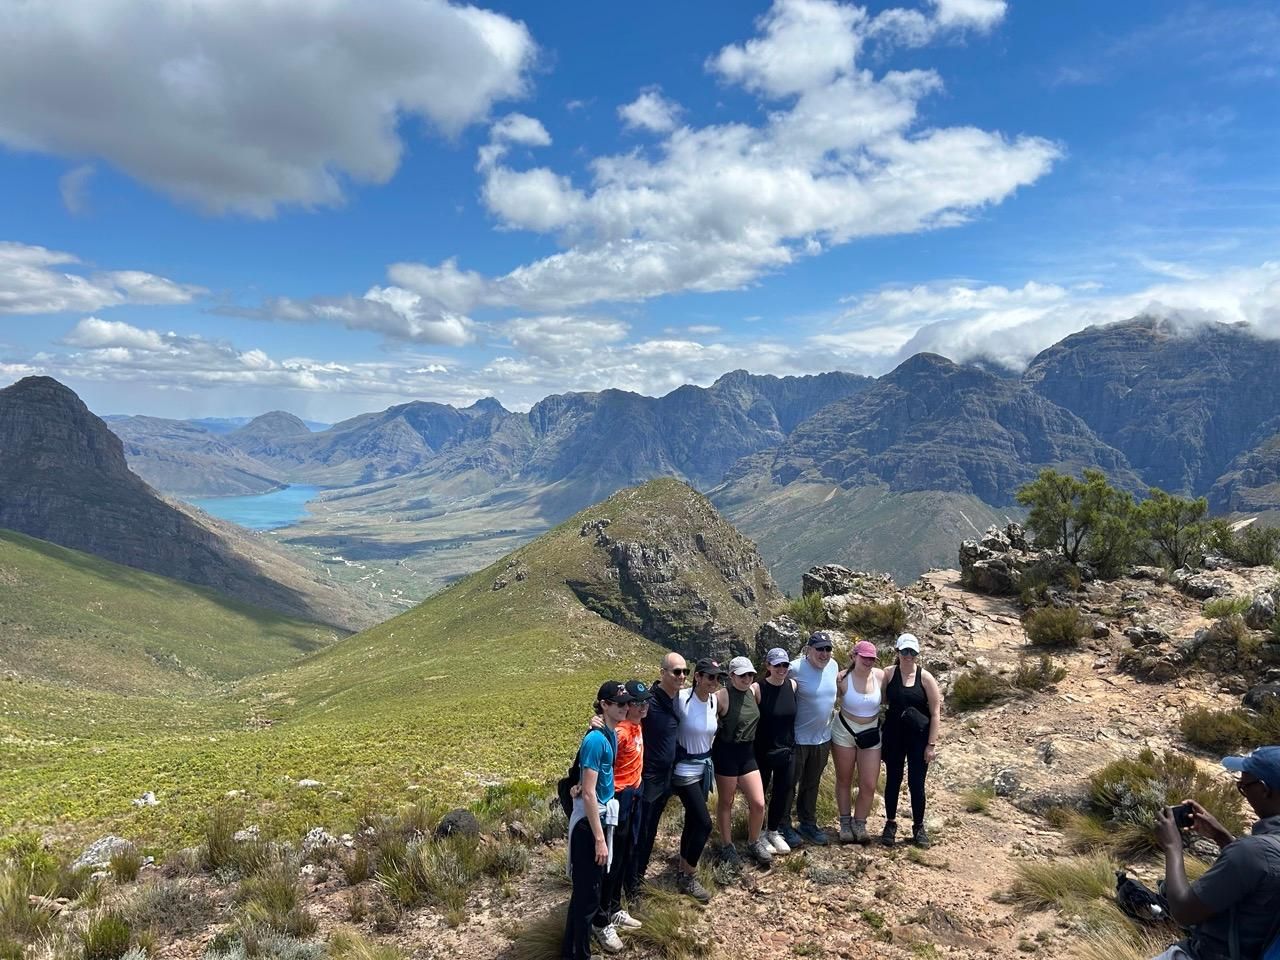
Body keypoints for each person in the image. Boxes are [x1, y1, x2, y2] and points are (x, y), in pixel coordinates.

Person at [1151, 746, 1280, 960]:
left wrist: (1172, 846)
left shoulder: (1252, 853)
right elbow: (1264, 875)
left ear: (1265, 789)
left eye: (1243, 787)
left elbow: (1183, 911)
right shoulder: (1258, 852)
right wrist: (1223, 838)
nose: (1242, 791)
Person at [562, 682, 630, 960]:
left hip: (599, 818)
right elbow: (589, 793)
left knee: (588, 893)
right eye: (619, 703)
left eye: (626, 703)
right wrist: (600, 840)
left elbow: (588, 783)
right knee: (587, 895)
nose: (625, 707)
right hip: (591, 825)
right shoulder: (596, 740)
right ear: (604, 704)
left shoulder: (609, 733)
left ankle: (575, 951)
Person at [591, 680, 651, 951]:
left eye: (639, 703)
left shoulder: (636, 724)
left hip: (633, 794)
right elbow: (601, 760)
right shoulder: (622, 731)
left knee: (625, 854)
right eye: (634, 704)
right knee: (612, 862)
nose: (640, 707)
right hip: (618, 798)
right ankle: (601, 920)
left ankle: (614, 907)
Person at [631, 653, 687, 899]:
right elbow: (623, 716)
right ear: (662, 672)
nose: (681, 676)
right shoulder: (649, 703)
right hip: (648, 778)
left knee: (651, 830)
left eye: (685, 671)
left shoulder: (678, 699)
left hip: (666, 779)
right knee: (640, 832)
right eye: (676, 671)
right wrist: (598, 720)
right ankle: (631, 885)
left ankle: (638, 878)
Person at [880, 633, 941, 848]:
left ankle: (918, 826)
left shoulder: (925, 678)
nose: (908, 656)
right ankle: (890, 823)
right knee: (893, 781)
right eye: (904, 651)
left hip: (918, 738)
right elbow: (877, 695)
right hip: (894, 737)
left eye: (912, 652)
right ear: (897, 652)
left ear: (917, 654)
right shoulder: (888, 674)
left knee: (917, 783)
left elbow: (935, 713)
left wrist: (931, 745)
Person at [712, 656, 772, 868]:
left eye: (750, 674)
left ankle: (753, 841)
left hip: (747, 753)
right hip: (726, 753)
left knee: (758, 802)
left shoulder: (754, 691)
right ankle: (727, 845)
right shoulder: (721, 697)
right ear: (731, 676)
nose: (747, 678)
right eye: (742, 675)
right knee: (726, 802)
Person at [670, 658, 722, 902]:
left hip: (703, 768)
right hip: (683, 771)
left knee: (693, 820)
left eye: (717, 677)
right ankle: (689, 876)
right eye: (709, 676)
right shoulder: (682, 699)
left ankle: (682, 866)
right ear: (698, 677)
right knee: (704, 824)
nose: (714, 681)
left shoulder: (713, 700)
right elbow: (654, 705)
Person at [785, 630, 839, 846]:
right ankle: (783, 825)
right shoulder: (794, 668)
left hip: (822, 738)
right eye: (820, 649)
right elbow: (773, 682)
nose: (824, 654)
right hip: (797, 738)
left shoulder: (833, 666)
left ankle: (807, 823)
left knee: (811, 783)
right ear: (808, 650)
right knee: (789, 784)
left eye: (828, 649)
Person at [832, 639, 884, 844]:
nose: (869, 661)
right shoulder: (842, 679)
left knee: (869, 783)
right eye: (865, 657)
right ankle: (845, 822)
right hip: (844, 730)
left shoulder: (880, 676)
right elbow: (828, 699)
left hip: (871, 731)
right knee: (844, 779)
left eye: (872, 658)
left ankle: (860, 822)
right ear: (854, 656)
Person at [754, 647, 798, 855]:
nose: (781, 669)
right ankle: (757, 833)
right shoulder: (758, 689)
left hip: (787, 750)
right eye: (777, 665)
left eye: (785, 665)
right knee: (759, 796)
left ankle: (773, 830)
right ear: (768, 666)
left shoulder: (793, 685)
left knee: (783, 791)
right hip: (762, 752)